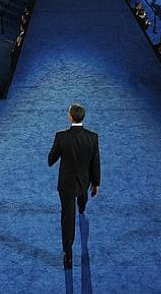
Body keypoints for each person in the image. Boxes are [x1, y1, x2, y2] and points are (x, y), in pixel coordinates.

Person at [47, 103, 101, 270]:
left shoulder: (61, 137)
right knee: (82, 195)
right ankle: (82, 207)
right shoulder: (93, 137)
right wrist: (96, 183)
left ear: (70, 117)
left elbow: (51, 160)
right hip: (84, 181)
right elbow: (95, 163)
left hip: (66, 184)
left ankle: (68, 253)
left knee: (67, 218)